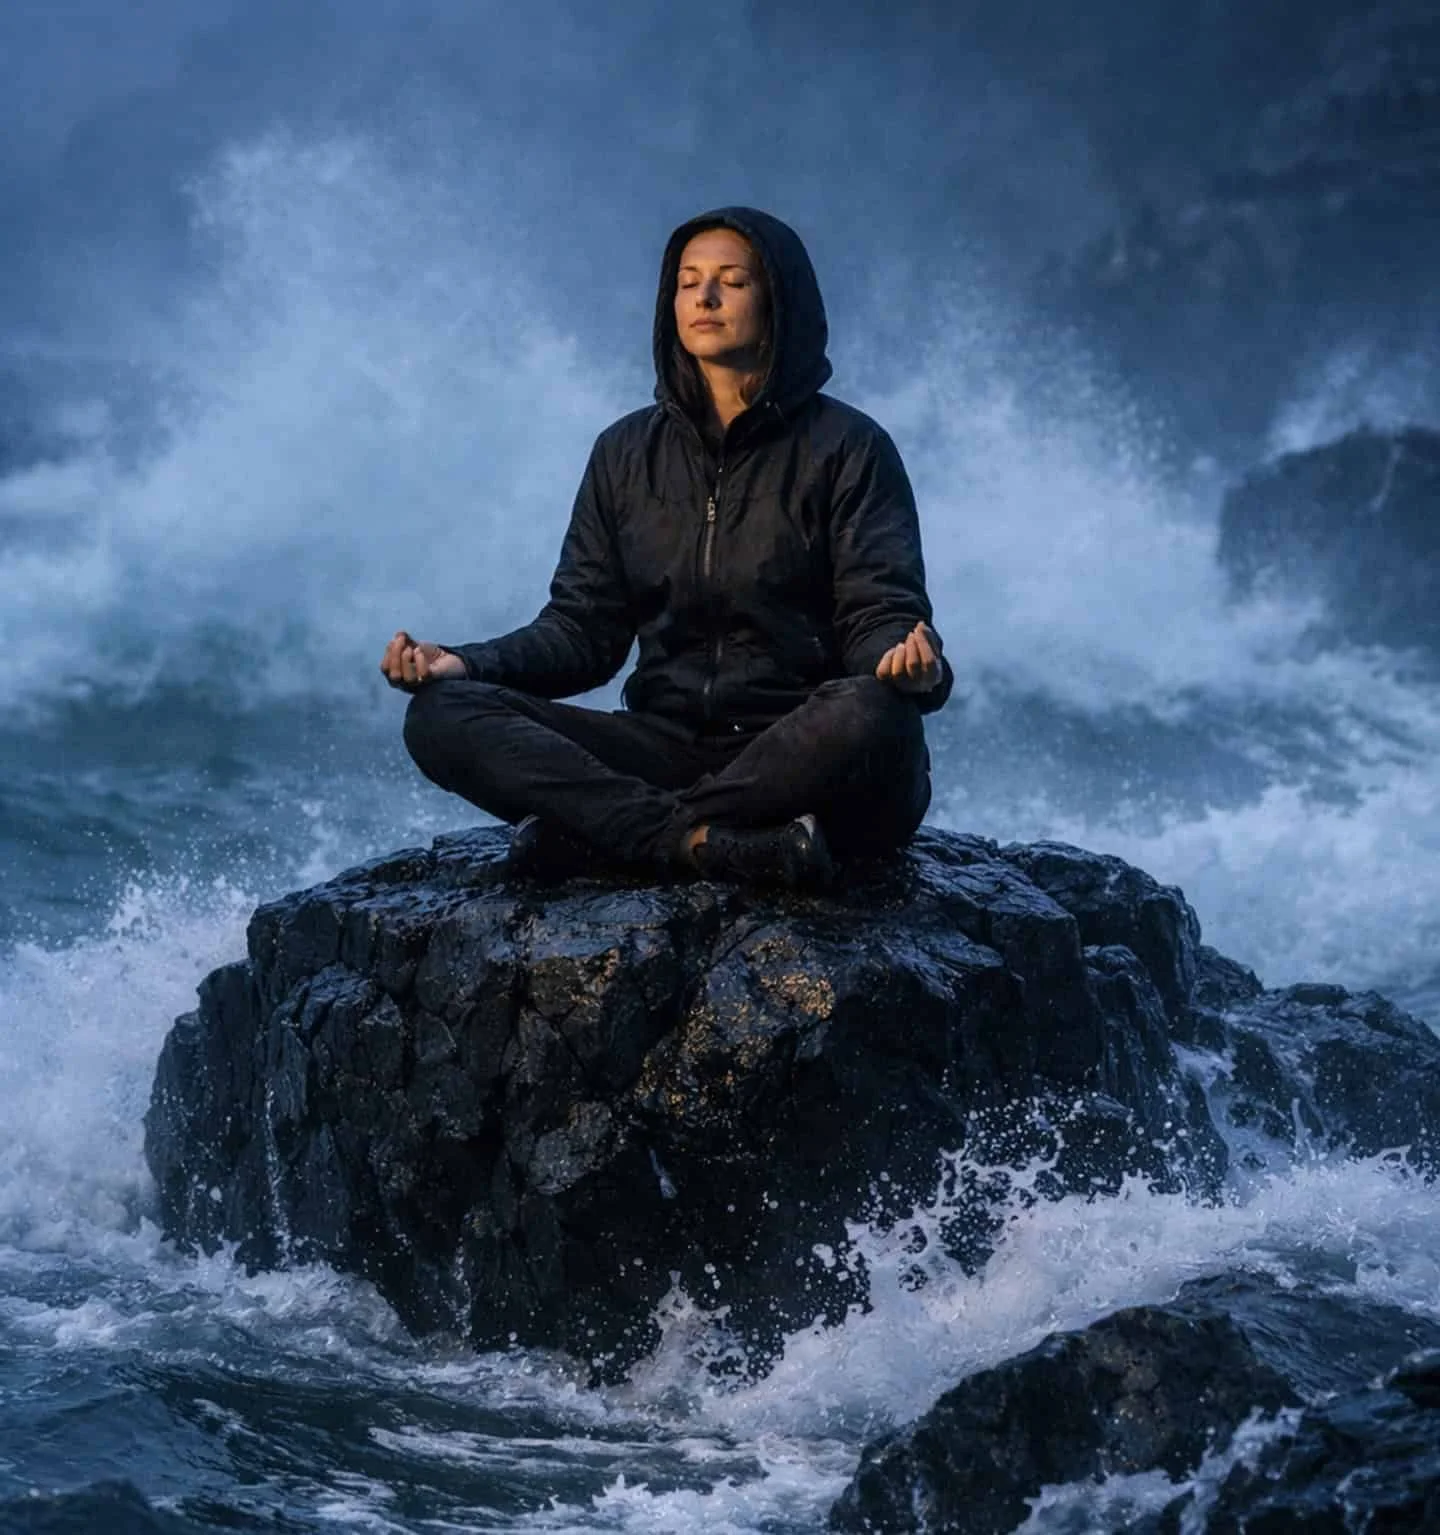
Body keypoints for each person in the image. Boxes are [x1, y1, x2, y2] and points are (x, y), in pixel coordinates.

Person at [383, 206, 953, 887]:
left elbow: (878, 611)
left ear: (781, 301)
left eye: (731, 282)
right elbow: (583, 631)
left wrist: (905, 664)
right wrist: (465, 663)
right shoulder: (625, 452)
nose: (704, 298)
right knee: (440, 715)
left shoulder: (851, 449)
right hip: (664, 745)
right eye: (688, 282)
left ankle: (613, 836)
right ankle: (700, 842)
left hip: (802, 750)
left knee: (877, 714)